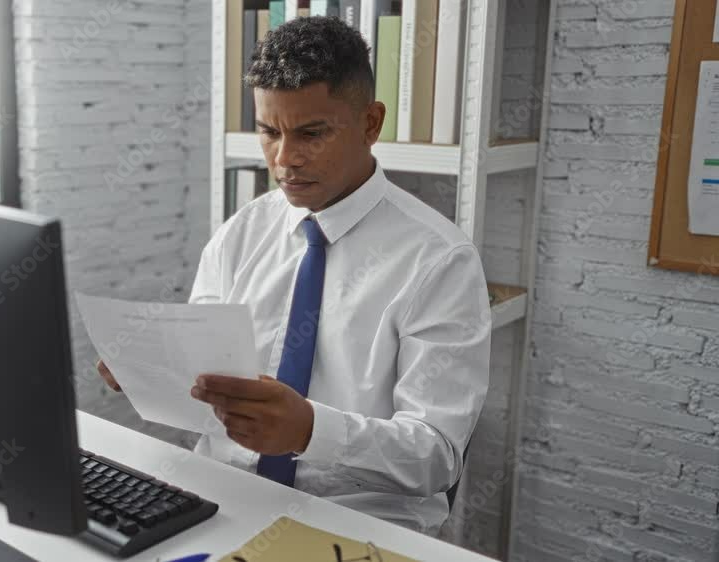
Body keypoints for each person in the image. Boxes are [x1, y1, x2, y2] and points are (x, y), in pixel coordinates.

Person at [97, 16, 490, 535]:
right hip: (221, 495)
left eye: (311, 133)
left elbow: (436, 456)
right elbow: (205, 382)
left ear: (371, 124)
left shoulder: (441, 260)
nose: (284, 160)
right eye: (268, 131)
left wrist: (311, 430)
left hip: (358, 520)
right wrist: (153, 371)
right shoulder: (241, 232)